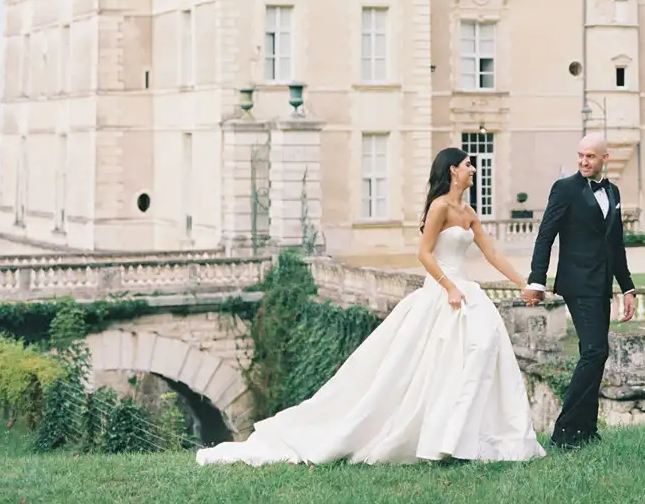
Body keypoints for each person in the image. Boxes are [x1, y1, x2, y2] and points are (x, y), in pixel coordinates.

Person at [196, 147, 543, 467]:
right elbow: (423, 254)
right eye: (468, 164)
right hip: (442, 292)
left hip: (466, 291)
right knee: (425, 367)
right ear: (453, 170)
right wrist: (449, 287)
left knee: (478, 352)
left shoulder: (468, 212)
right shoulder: (439, 207)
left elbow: (491, 253)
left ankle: (463, 437)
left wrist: (524, 283)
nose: (473, 168)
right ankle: (434, 439)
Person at [523, 133, 637, 451]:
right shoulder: (565, 188)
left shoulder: (612, 191)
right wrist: (536, 280)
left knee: (597, 353)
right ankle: (565, 430)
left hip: (601, 285)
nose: (584, 161)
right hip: (577, 283)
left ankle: (586, 430)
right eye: (581, 156)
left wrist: (627, 286)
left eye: (590, 156)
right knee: (595, 350)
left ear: (605, 158)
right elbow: (545, 235)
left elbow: (615, 243)